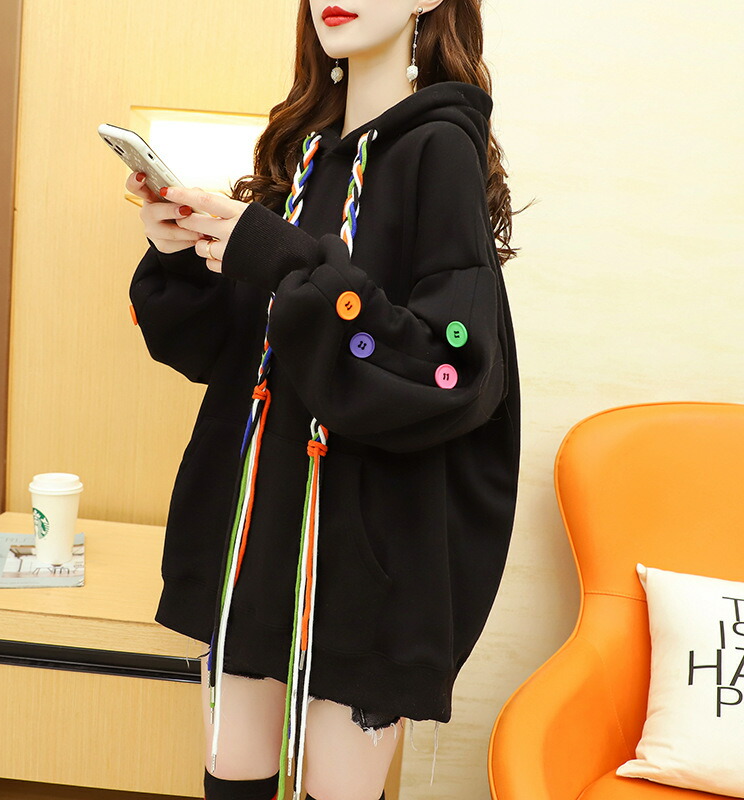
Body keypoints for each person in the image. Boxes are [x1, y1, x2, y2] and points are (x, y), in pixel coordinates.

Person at [127, 1, 525, 798]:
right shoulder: (300, 151)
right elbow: (236, 350)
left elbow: (450, 367)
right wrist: (180, 249)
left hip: (365, 556)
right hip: (254, 532)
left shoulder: (439, 150)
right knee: (231, 777)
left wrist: (288, 263)